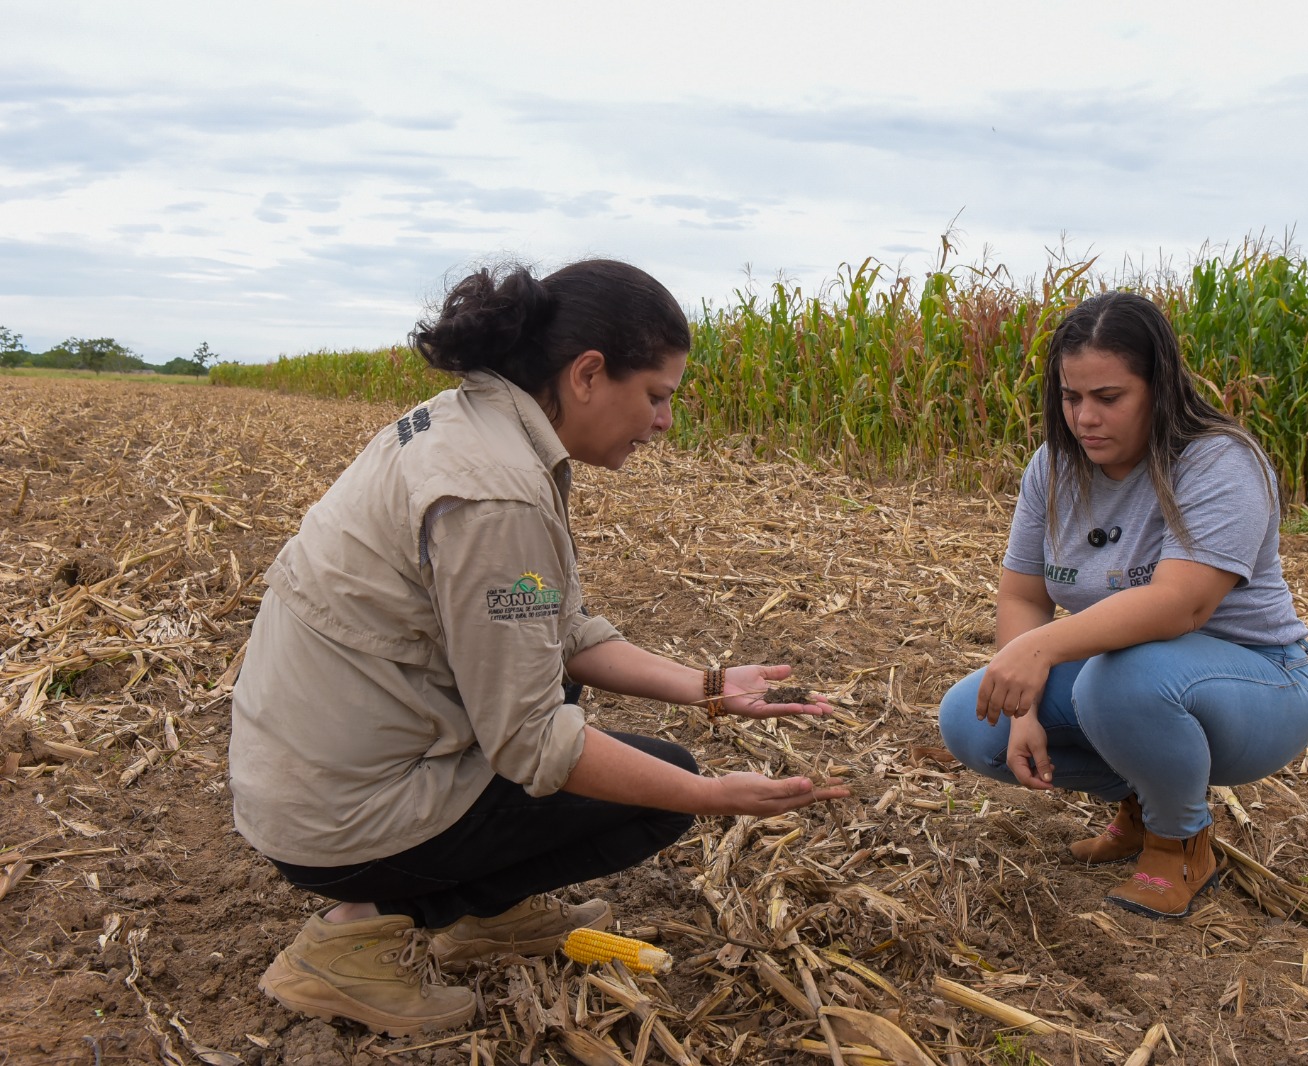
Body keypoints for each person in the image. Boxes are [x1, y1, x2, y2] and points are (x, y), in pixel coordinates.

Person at [228, 259, 849, 1036]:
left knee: (566, 695)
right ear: (588, 374)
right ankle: (353, 940)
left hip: (316, 770)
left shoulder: (476, 425)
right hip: (337, 817)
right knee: (652, 801)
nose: (663, 422)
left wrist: (708, 686)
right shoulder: (496, 492)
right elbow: (530, 739)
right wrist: (710, 796)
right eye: (656, 396)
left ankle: (488, 912)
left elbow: (557, 631)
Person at [938, 291, 1308, 920]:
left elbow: (1180, 606)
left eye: (1109, 397)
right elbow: (1024, 593)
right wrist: (1024, 704)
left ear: (1158, 388)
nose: (1084, 418)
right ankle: (1144, 803)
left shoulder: (1220, 461)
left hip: (1258, 684)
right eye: (1071, 397)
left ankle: (1180, 841)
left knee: (1117, 681)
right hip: (1130, 682)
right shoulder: (1053, 468)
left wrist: (1041, 650)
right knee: (972, 721)